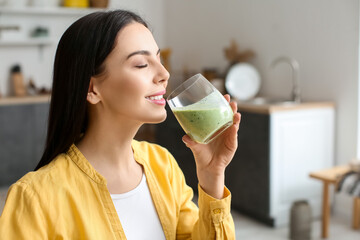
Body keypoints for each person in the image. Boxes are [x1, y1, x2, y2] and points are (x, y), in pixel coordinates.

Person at [0, 9, 241, 239]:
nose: (164, 73)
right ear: (92, 89)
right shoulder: (34, 198)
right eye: (141, 64)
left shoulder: (162, 165)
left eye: (158, 59)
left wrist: (212, 177)